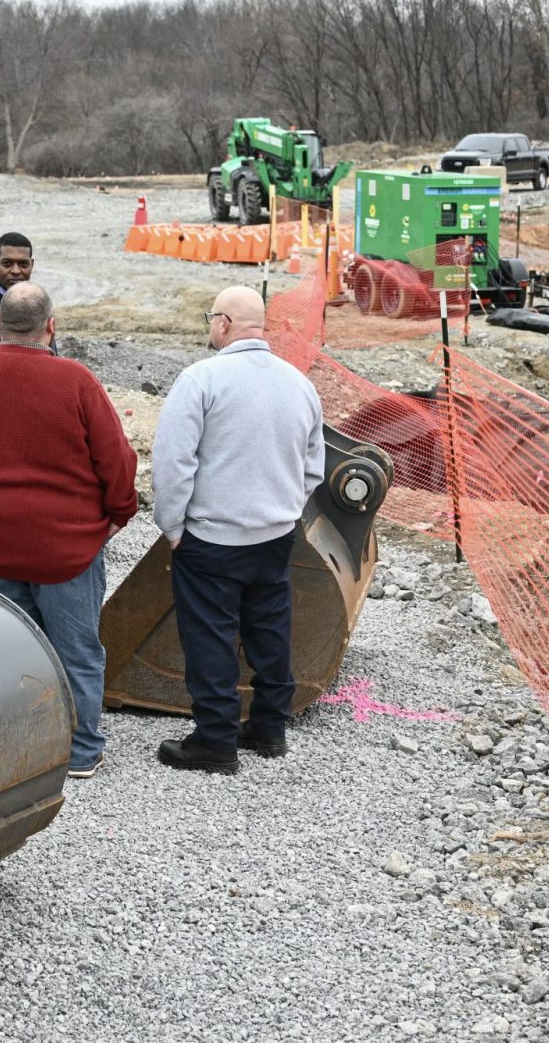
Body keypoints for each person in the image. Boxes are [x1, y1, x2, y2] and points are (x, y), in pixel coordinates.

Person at [0, 283, 137, 780]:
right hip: (65, 550)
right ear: (51, 326)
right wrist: (116, 517)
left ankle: (14, 748)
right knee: (77, 651)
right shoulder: (77, 381)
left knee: (2, 653)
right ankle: (81, 749)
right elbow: (117, 461)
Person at [150, 285, 324, 774]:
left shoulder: (201, 379)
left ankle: (215, 741)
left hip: (211, 538)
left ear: (224, 323)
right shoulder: (299, 384)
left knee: (210, 636)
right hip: (274, 535)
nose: (210, 326)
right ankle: (269, 727)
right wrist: (286, 511)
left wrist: (174, 526)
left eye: (212, 318)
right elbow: (313, 466)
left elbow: (172, 462)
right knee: (269, 629)